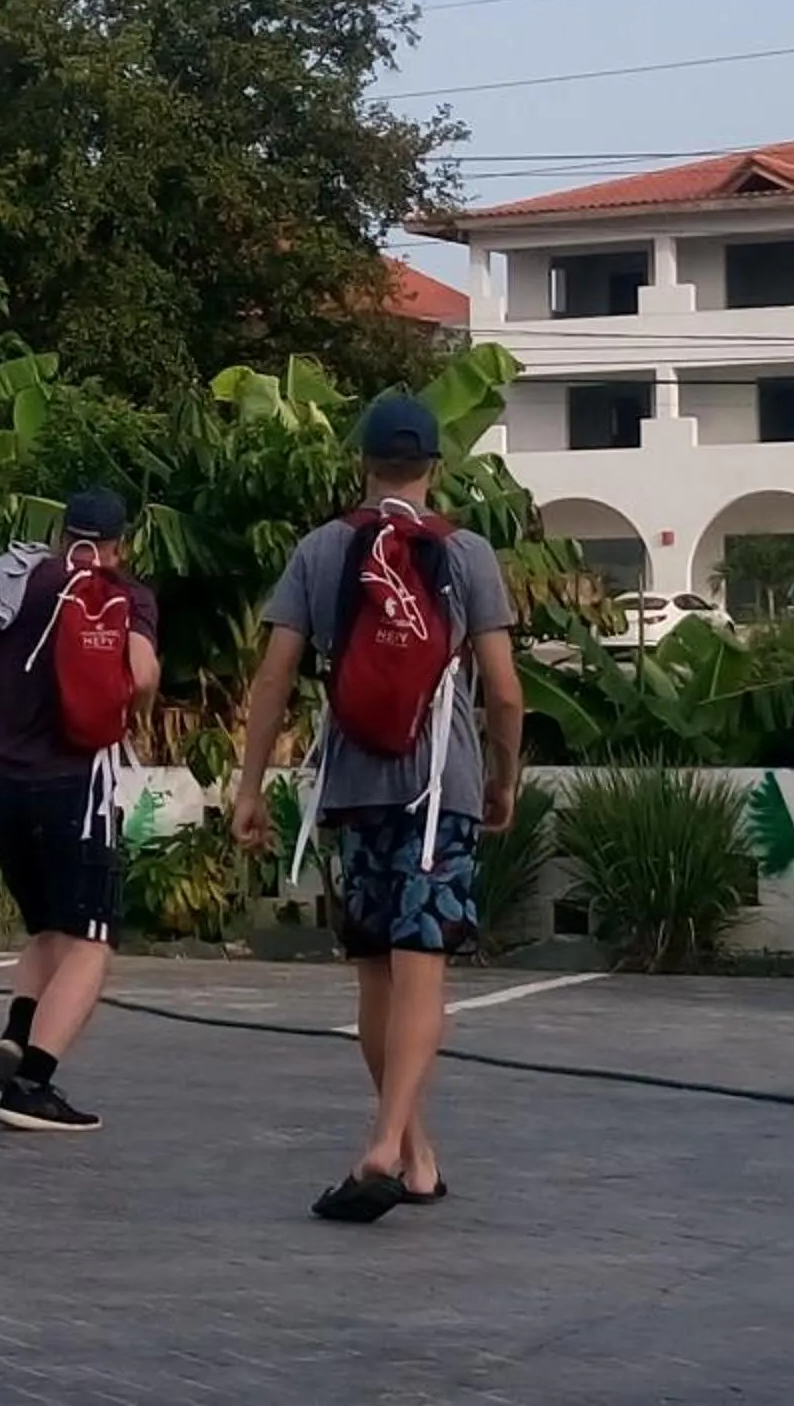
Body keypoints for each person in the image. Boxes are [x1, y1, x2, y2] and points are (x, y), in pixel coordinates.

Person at [233, 393, 522, 1223]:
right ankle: (387, 1145)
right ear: (435, 465)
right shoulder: (464, 552)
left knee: (375, 972)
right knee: (422, 964)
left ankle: (416, 1156)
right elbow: (504, 692)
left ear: (362, 462)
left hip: (354, 786)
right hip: (441, 791)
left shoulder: (322, 550)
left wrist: (249, 787)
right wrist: (503, 777)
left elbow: (274, 677)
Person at [0, 487, 159, 1132]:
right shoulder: (124, 595)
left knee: (48, 926)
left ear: (61, 535)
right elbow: (141, 675)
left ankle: (18, 1035)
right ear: (119, 545)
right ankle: (32, 1084)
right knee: (92, 938)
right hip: (72, 781)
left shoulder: (12, 579)